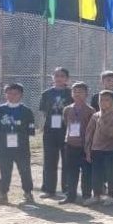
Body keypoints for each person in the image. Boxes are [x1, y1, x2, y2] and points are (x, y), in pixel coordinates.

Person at [0, 83, 36, 205]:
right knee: (4, 171)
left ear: (21, 95)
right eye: (9, 93)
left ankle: (28, 194)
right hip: (3, 147)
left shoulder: (26, 111)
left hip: (21, 147)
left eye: (15, 93)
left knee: (25, 171)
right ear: (5, 94)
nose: (12, 96)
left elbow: (30, 130)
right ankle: (2, 194)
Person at [38, 67, 72, 199]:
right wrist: (42, 126)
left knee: (67, 159)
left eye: (62, 76)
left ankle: (67, 189)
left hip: (66, 129)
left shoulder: (71, 93)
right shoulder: (46, 93)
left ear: (67, 79)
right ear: (53, 77)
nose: (59, 78)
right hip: (50, 130)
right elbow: (43, 112)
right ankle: (49, 189)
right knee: (49, 159)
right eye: (56, 75)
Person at [84, 90, 113, 206]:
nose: (103, 102)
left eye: (106, 100)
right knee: (96, 174)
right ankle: (97, 195)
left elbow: (112, 133)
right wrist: (88, 150)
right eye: (101, 100)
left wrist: (102, 121)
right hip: (96, 149)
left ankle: (111, 196)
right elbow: (89, 134)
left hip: (110, 149)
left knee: (111, 174)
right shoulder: (95, 115)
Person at [60, 82, 94, 205]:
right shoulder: (67, 109)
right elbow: (66, 123)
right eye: (75, 92)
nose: (77, 94)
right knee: (71, 171)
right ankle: (70, 195)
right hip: (70, 144)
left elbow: (91, 128)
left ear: (86, 94)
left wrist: (88, 146)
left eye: (80, 92)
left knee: (86, 172)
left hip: (85, 146)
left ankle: (86, 195)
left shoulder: (90, 110)